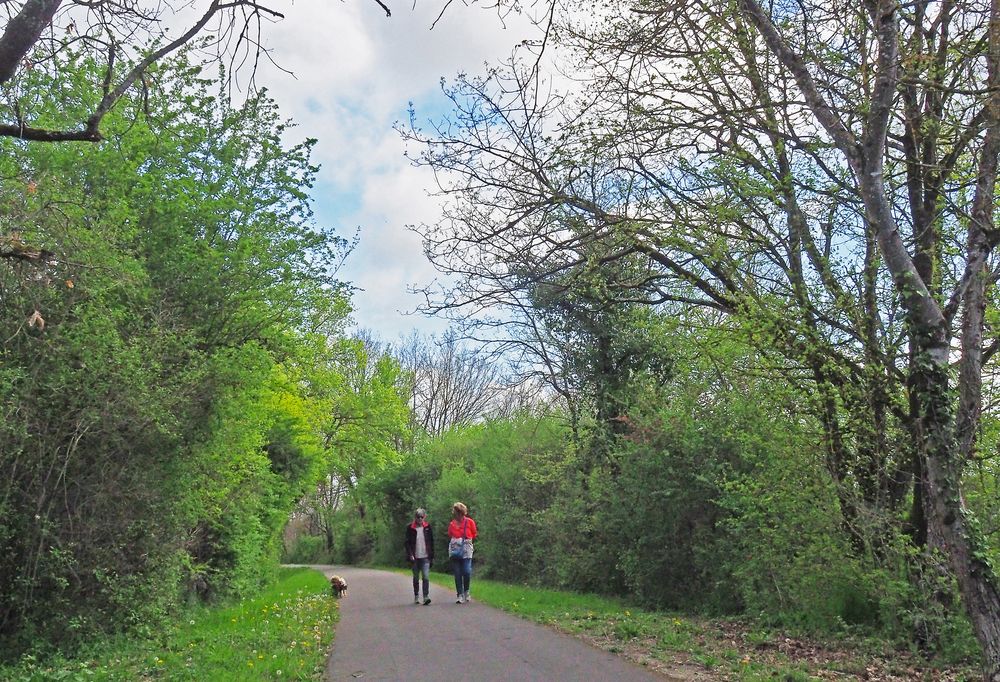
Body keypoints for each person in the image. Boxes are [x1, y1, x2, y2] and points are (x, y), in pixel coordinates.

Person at [447, 502, 477, 604]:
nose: (457, 514)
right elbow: (450, 534)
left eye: (458, 512)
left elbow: (474, 533)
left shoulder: (470, 522)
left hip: (467, 549)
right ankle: (459, 594)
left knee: (467, 571)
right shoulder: (452, 524)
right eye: (455, 512)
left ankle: (466, 591)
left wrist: (465, 540)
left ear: (462, 512)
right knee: (457, 573)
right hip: (455, 550)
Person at [404, 508, 433, 605]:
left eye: (422, 517)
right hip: (415, 557)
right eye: (418, 517)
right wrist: (410, 555)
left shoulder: (428, 527)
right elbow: (407, 543)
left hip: (425, 557)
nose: (420, 519)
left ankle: (426, 597)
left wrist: (431, 556)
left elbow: (431, 542)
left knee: (425, 576)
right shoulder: (410, 528)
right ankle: (416, 596)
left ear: (424, 517)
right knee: (416, 577)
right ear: (415, 517)